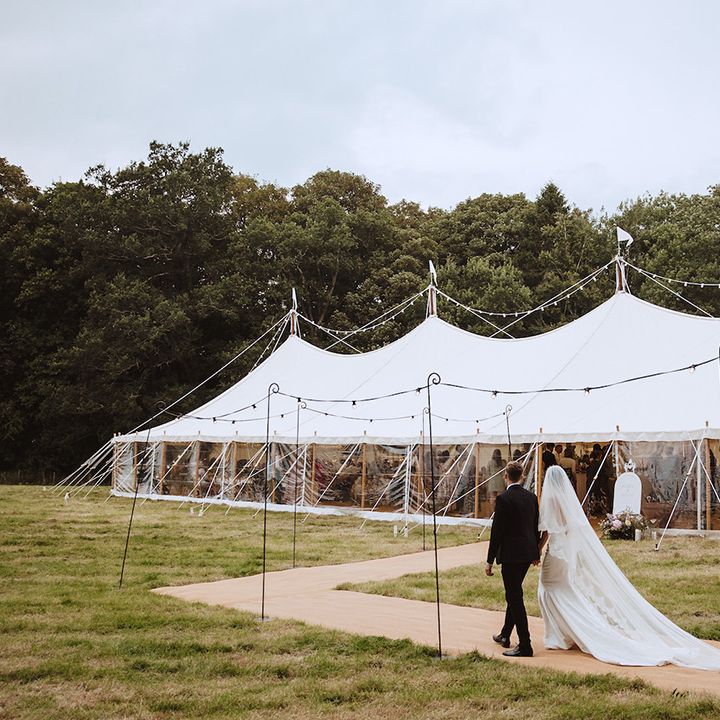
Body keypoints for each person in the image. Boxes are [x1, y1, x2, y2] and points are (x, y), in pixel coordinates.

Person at [537, 466, 720, 669]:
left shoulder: (551, 500)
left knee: (549, 588)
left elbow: (548, 530)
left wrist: (539, 549)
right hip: (567, 550)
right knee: (563, 589)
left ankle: (562, 634)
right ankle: (565, 632)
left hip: (557, 550)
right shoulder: (566, 500)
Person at [485, 461, 540, 657]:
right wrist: (535, 553)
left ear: (505, 477)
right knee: (514, 593)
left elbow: (497, 532)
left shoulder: (503, 499)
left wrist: (489, 560)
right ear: (522, 476)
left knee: (515, 597)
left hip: (510, 555)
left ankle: (525, 644)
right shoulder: (532, 497)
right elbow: (534, 527)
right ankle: (505, 634)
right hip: (526, 554)